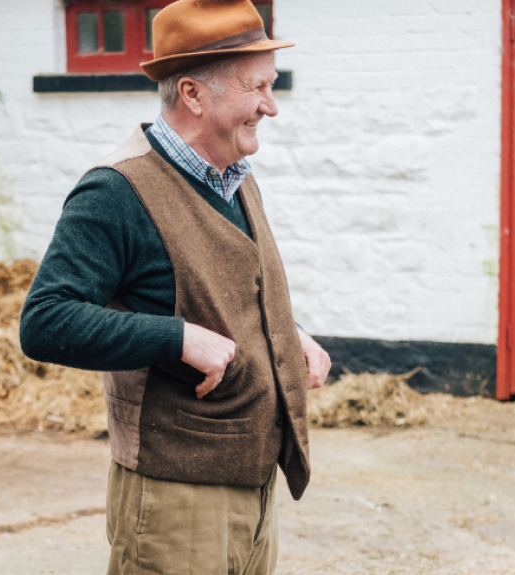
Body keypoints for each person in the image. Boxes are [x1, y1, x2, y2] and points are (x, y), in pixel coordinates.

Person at [20, 0, 331, 573]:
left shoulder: (231, 174)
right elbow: (45, 320)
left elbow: (224, 283)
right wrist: (177, 338)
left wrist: (290, 331)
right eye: (256, 88)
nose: (271, 106)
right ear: (192, 94)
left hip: (253, 484)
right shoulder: (115, 191)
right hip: (176, 498)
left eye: (271, 86)